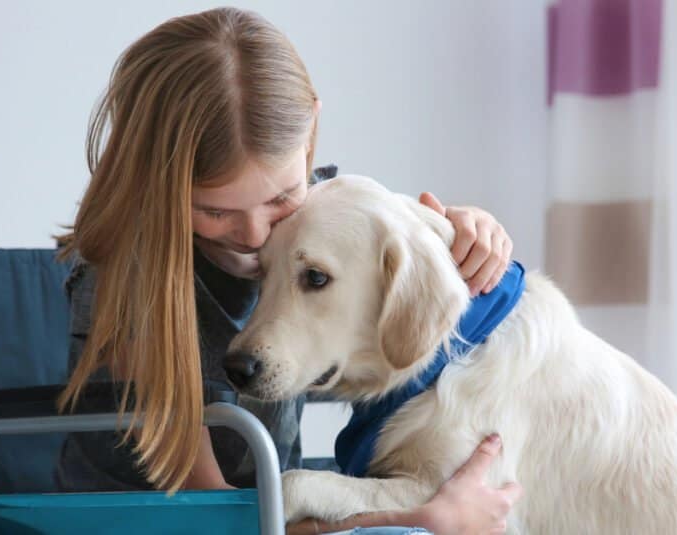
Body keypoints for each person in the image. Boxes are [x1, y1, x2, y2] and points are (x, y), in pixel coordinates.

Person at [54, 7, 521, 533]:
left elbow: (386, 342)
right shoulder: (128, 282)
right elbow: (218, 512)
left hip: (268, 502)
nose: (255, 236)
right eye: (215, 211)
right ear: (155, 180)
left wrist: (458, 232)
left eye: (280, 197)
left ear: (310, 132)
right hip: (158, 521)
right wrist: (419, 517)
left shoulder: (312, 230)